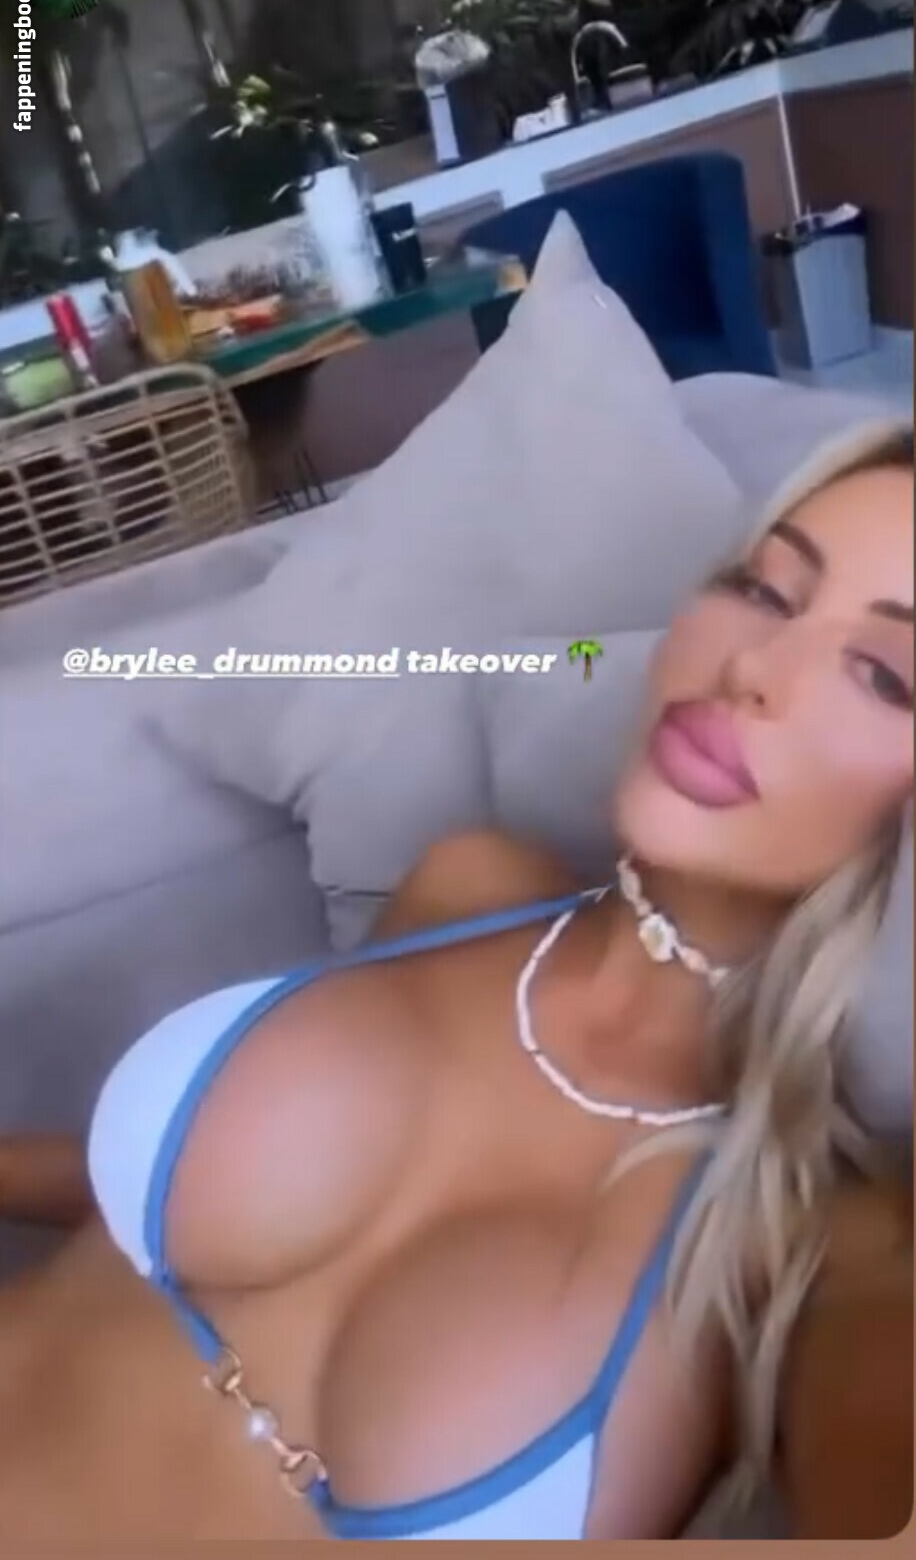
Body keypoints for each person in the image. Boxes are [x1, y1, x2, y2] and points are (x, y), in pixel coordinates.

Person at [0, 425, 912, 1541]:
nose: (752, 669)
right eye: (764, 591)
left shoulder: (820, 1238)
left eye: (883, 674)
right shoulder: (474, 885)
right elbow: (184, 1227)